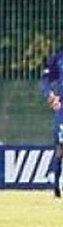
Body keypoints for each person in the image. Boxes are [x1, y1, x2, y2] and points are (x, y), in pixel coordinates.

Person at [40, 49, 63, 197]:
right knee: (60, 149)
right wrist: (50, 95)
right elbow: (45, 79)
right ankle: (56, 187)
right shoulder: (59, 58)